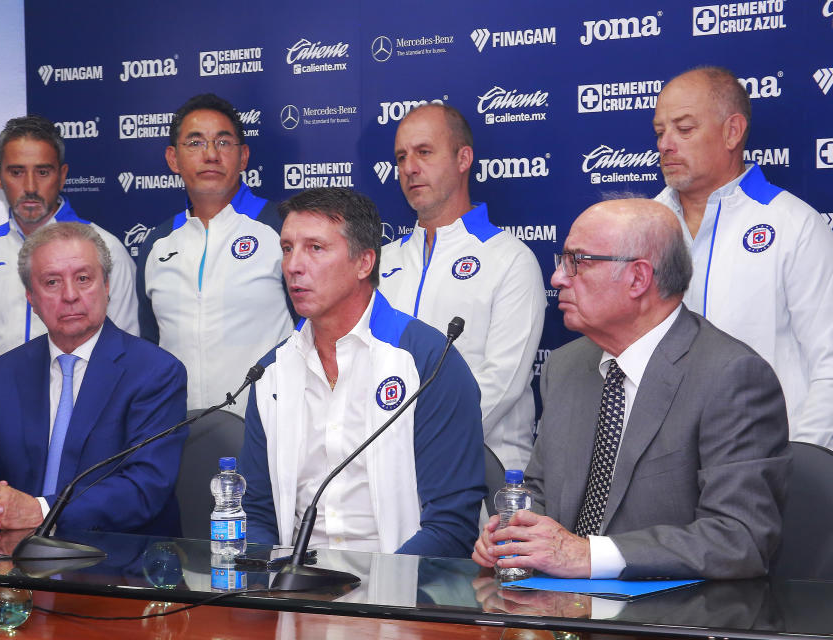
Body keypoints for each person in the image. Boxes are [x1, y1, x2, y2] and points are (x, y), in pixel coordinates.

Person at [472, 198, 789, 579]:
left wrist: (588, 554)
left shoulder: (730, 377)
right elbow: (541, 490)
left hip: (672, 620)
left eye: (577, 262)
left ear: (638, 278)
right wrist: (514, 533)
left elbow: (739, 537)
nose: (557, 278)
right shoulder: (566, 366)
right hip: (560, 613)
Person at [240, 188, 485, 558]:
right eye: (288, 248)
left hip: (402, 594)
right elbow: (258, 512)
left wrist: (380, 593)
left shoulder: (428, 361)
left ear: (364, 263)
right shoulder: (270, 373)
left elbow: (451, 526)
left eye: (315, 248)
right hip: (294, 589)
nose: (292, 265)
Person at [0, 223, 187, 536]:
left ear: (107, 285)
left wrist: (38, 511)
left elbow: (144, 487)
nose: (70, 295)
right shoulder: (1, 375)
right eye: (52, 282)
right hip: (13, 563)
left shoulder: (155, 372)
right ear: (31, 297)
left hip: (120, 564)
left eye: (83, 278)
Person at [652, 66, 833, 447]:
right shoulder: (641, 226)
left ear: (732, 132)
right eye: (660, 131)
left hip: (763, 466)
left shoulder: (793, 224)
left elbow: (829, 363)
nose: (666, 144)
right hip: (659, 471)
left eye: (684, 129)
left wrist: (802, 465)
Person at [379, 104, 546, 471]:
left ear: (463, 158)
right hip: (385, 468)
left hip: (481, 474)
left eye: (424, 152)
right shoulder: (380, 261)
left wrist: (414, 445)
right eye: (401, 157)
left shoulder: (510, 259)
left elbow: (501, 384)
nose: (409, 168)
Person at [137, 93, 294, 414]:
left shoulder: (283, 228)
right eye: (194, 144)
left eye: (223, 143)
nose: (210, 155)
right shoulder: (157, 243)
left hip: (267, 435)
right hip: (178, 437)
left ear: (244, 156)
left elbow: (315, 329)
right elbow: (149, 347)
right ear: (173, 159)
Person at [0, 115, 138, 381]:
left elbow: (126, 348)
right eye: (16, 172)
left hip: (79, 416)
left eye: (43, 172)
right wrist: (6, 395)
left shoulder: (105, 248)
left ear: (62, 176)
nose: (29, 187)